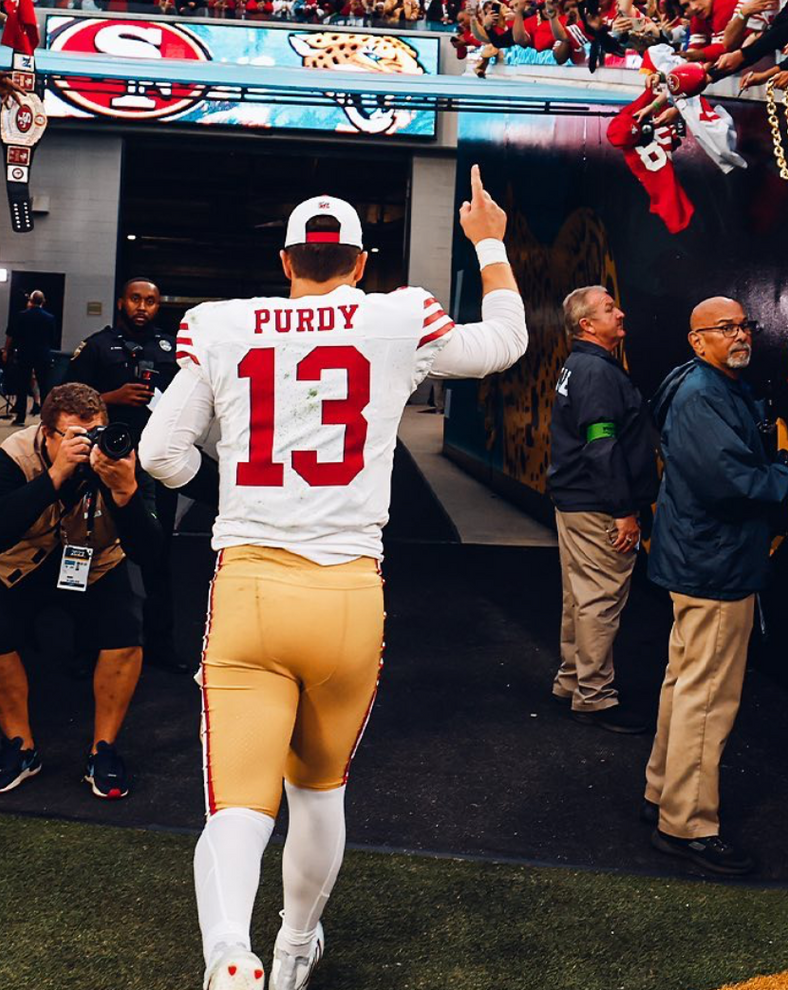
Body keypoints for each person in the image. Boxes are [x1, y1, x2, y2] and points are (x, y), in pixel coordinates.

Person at [139, 167, 527, 990]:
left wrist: (236, 478)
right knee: (318, 791)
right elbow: (506, 344)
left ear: (286, 261)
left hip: (249, 584)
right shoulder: (397, 315)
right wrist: (488, 239)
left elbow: (160, 457)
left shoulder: (223, 324)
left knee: (238, 806)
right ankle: (292, 950)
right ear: (358, 260)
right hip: (350, 591)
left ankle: (228, 956)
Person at [643, 297, 788, 876]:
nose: (740, 334)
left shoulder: (709, 385)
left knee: (685, 685)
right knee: (706, 700)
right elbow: (737, 485)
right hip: (715, 567)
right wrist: (784, 463)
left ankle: (663, 791)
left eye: (744, 325)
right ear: (697, 340)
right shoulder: (704, 394)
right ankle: (688, 826)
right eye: (724, 327)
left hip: (703, 561)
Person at [0, 383, 164, 799]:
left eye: (94, 433)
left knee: (124, 636)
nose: (88, 446)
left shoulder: (122, 457)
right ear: (47, 434)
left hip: (92, 557)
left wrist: (125, 492)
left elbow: (151, 553)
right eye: (75, 437)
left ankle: (104, 749)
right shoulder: (16, 454)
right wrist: (55, 476)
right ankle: (19, 746)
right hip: (19, 559)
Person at [65, 278, 217, 672]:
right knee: (89, 553)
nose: (142, 307)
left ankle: (160, 646)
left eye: (150, 301)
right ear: (121, 302)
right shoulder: (98, 346)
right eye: (135, 299)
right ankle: (84, 649)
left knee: (157, 556)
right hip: (98, 466)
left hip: (151, 468)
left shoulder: (170, 349)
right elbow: (63, 398)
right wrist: (110, 398)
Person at [546, 286, 658, 734]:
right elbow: (601, 443)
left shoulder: (580, 366)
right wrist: (622, 510)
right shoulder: (596, 372)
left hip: (575, 500)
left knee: (581, 596)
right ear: (587, 325)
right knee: (600, 599)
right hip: (596, 504)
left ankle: (571, 680)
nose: (621, 312)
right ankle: (594, 696)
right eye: (609, 308)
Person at [5, 290, 56, 425]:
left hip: (25, 353)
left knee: (22, 385)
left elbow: (11, 335)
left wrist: (6, 351)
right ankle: (46, 418)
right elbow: (52, 337)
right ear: (43, 302)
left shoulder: (21, 316)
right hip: (42, 354)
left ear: (31, 301)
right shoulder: (49, 318)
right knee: (44, 386)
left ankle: (20, 416)